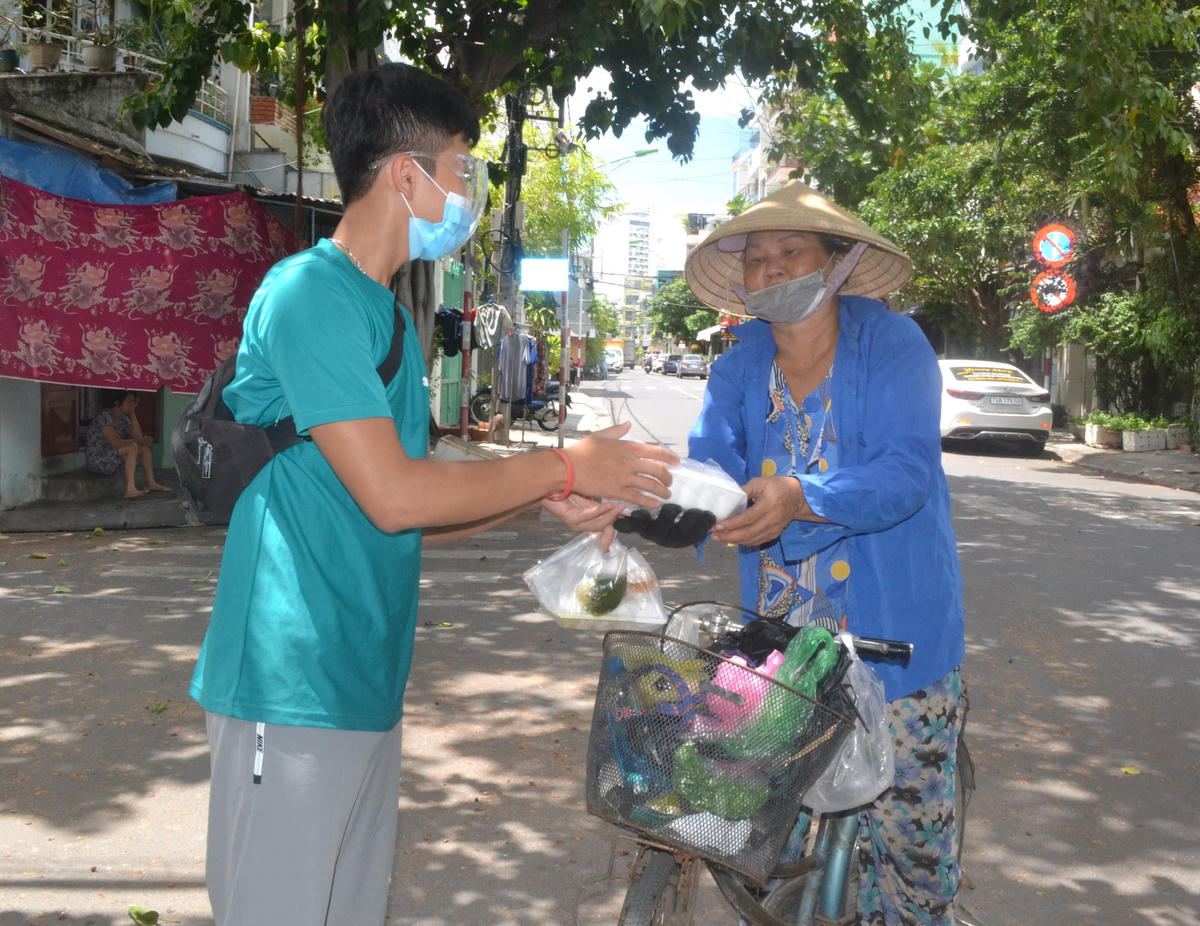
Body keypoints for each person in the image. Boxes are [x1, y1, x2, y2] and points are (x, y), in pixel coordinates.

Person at [187, 63, 676, 926]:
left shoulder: (386, 316)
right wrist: (564, 468)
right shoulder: (311, 295)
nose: (468, 191)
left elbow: (402, 514)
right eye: (460, 167)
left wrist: (533, 500)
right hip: (290, 678)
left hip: (360, 679)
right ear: (403, 174)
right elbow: (396, 497)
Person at [626, 181, 967, 923]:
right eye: (756, 259)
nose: (772, 269)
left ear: (837, 265)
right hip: (784, 652)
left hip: (900, 645)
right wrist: (647, 503)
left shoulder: (895, 345)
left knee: (913, 868)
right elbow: (711, 472)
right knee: (751, 832)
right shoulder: (736, 369)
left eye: (792, 251)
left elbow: (905, 472)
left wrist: (802, 498)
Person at [84, 390, 171, 498]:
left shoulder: (123, 419)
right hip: (99, 460)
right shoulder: (105, 417)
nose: (132, 405)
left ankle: (151, 483)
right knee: (132, 447)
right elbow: (115, 444)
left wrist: (133, 413)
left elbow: (138, 437)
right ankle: (130, 489)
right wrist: (138, 441)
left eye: (134, 402)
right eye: (129, 402)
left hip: (113, 457)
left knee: (144, 449)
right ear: (117, 402)